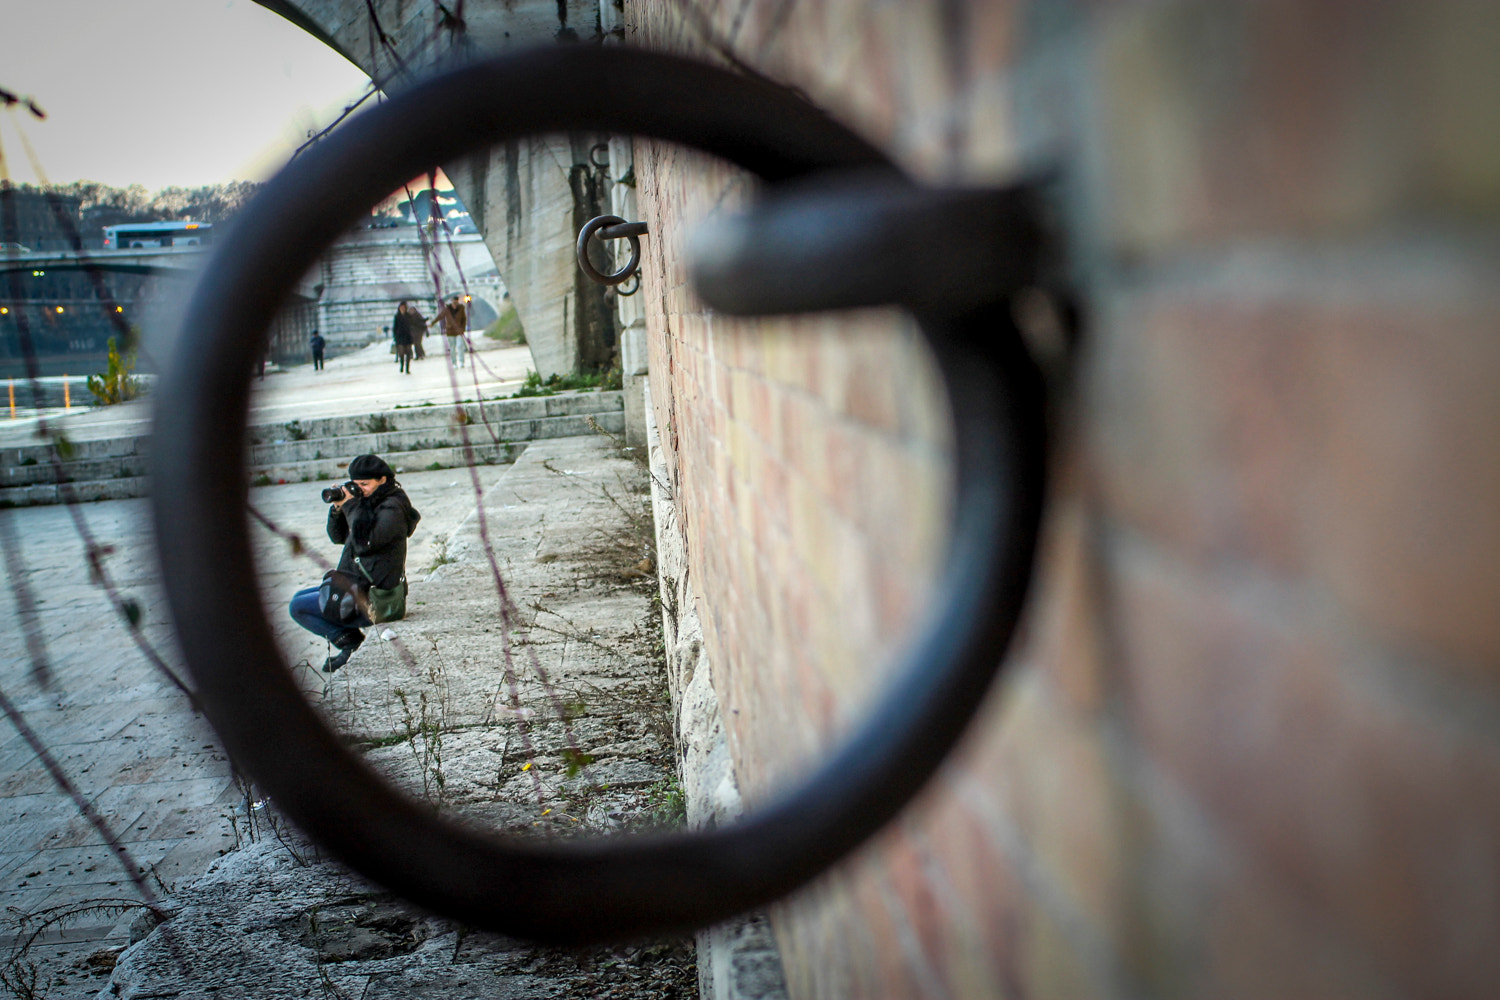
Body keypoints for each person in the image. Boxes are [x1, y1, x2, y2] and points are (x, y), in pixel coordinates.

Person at [288, 454, 421, 672]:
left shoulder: (393, 507)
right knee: (299, 597)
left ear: (383, 480)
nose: (361, 489)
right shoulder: (368, 503)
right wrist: (338, 509)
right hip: (360, 585)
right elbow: (337, 537)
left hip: (377, 599)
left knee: (298, 607)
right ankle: (349, 637)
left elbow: (365, 543)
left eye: (365, 484)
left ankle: (348, 641)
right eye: (356, 485)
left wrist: (351, 506)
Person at [441, 294, 468, 368]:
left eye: (456, 302)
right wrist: (432, 323)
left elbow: (464, 319)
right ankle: (454, 363)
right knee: (452, 348)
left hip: (459, 331)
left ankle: (461, 361)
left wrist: (463, 329)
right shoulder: (448, 309)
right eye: (454, 302)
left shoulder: (461, 308)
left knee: (460, 346)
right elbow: (441, 316)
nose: (455, 303)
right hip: (450, 331)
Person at [391, 301, 416, 374]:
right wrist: (395, 336)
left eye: (404, 308)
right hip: (400, 337)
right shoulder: (397, 316)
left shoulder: (409, 316)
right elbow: (395, 327)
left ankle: (407, 368)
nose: (402, 309)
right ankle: (402, 364)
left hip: (408, 336)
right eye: (401, 308)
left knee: (408, 353)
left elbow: (412, 325)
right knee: (401, 353)